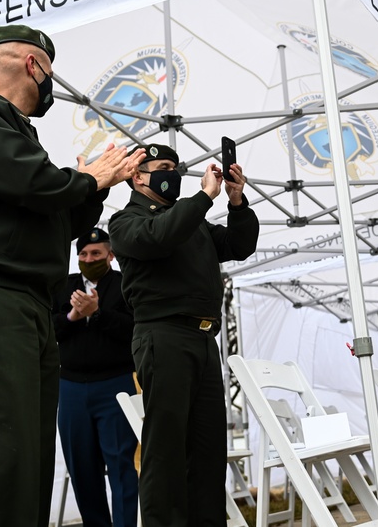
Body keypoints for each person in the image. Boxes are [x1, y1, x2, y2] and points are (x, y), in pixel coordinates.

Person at [0, 24, 144, 527]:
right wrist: (87, 178)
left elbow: (54, 223)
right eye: (50, 71)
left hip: (28, 304)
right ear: (36, 65)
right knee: (7, 449)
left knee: (31, 455)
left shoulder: (18, 136)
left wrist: (89, 189)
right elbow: (32, 182)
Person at [108, 143, 259, 526]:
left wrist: (237, 202)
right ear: (138, 176)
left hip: (203, 341)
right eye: (162, 166)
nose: (171, 173)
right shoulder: (126, 222)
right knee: (167, 450)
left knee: (208, 450)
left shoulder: (188, 219)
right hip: (164, 336)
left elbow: (239, 246)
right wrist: (204, 197)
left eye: (175, 167)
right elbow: (159, 237)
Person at [53, 228, 138, 527]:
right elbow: (49, 331)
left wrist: (98, 313)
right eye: (84, 255)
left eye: (96, 254)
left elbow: (134, 330)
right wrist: (73, 317)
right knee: (82, 469)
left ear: (110, 256)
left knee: (121, 465)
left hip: (116, 386)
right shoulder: (64, 286)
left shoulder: (125, 284)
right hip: (71, 387)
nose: (89, 259)